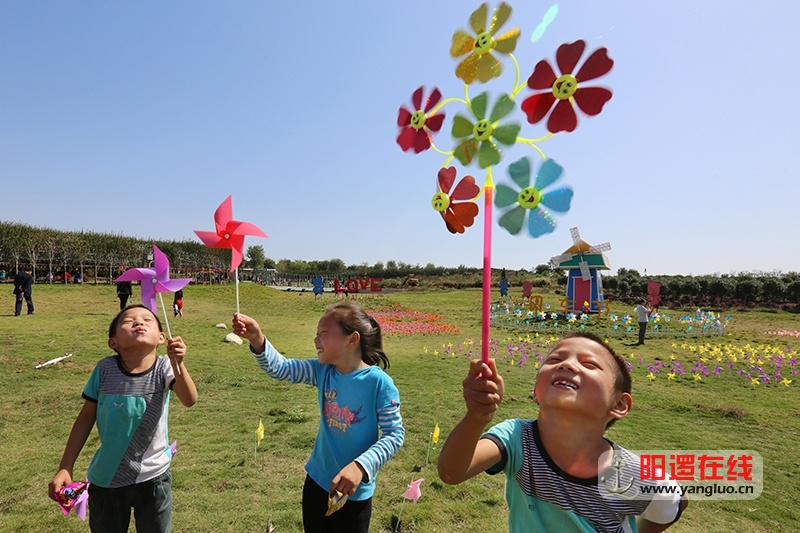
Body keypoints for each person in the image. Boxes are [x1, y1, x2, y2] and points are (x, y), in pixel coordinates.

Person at [438, 332, 687, 532]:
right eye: (554, 360)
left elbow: (675, 503)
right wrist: (476, 418)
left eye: (589, 364)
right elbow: (452, 473)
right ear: (536, 391)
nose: (567, 364)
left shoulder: (631, 474)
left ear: (619, 405)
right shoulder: (516, 438)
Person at [232, 301, 405, 532]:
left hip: (353, 495)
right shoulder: (322, 371)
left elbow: (395, 435)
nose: (315, 340)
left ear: (352, 339)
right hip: (316, 483)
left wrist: (361, 467)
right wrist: (257, 339)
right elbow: (282, 368)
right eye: (316, 334)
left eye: (323, 333)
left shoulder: (379, 383)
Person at [48, 304, 198, 532]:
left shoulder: (165, 367)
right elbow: (86, 417)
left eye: (148, 319)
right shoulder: (104, 369)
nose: (139, 322)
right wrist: (65, 466)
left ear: (161, 337)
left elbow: (189, 399)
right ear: (113, 342)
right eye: (128, 321)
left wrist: (179, 363)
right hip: (107, 479)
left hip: (154, 477)